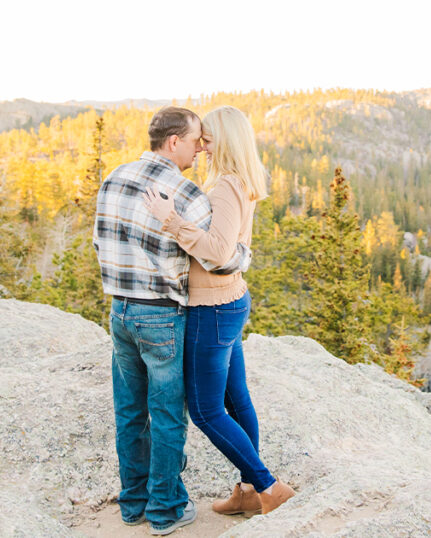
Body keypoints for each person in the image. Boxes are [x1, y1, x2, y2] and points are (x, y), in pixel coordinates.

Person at [93, 106, 250, 536]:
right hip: (161, 315)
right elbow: (218, 260)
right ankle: (164, 511)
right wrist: (244, 256)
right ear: (174, 141)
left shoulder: (114, 178)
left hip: (120, 311)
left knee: (129, 411)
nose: (202, 148)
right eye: (197, 139)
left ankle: (132, 505)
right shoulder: (186, 193)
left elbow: (98, 240)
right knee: (166, 414)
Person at [144, 105, 296, 517]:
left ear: (223, 140)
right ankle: (248, 491)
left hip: (211, 307)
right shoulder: (239, 180)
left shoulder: (227, 186)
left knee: (207, 411)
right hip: (229, 300)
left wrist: (169, 219)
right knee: (236, 398)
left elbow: (216, 252)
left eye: (207, 138)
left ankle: (267, 485)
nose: (203, 146)